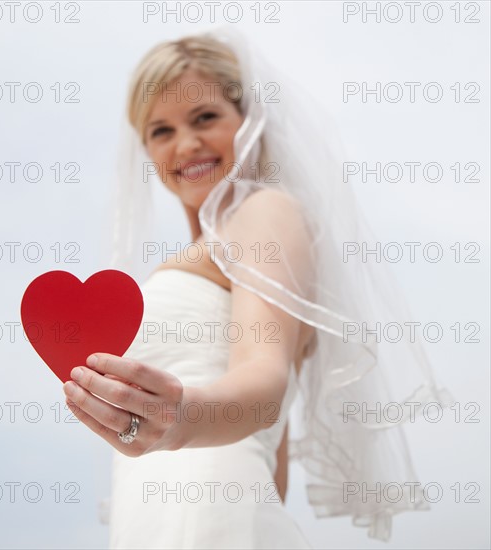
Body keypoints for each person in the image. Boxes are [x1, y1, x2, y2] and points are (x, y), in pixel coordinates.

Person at [63, 26, 450, 549]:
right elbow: (275, 444)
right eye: (160, 130)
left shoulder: (263, 212)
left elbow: (264, 376)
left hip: (205, 507)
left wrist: (180, 419)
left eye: (205, 117)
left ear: (250, 121)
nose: (187, 143)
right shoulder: (214, 246)